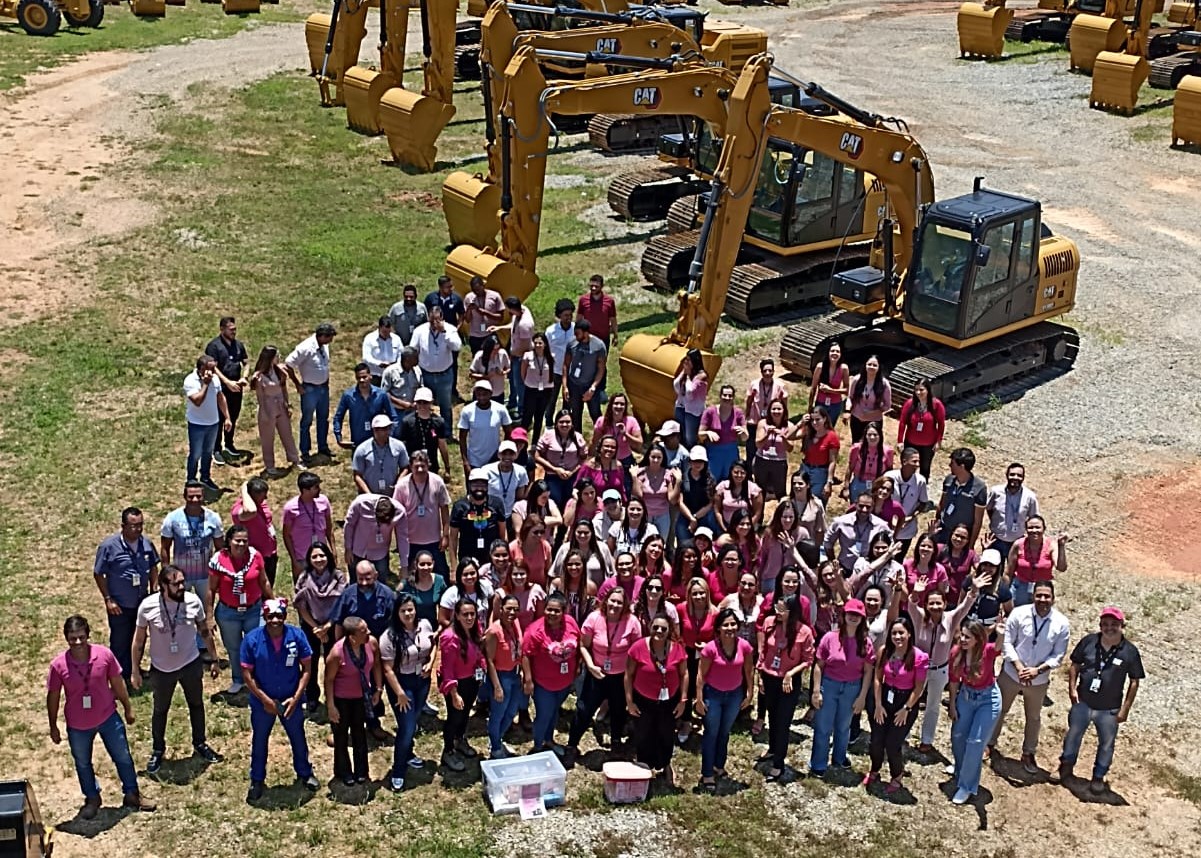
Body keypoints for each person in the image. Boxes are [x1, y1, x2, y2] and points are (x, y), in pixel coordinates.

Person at [47, 615, 155, 818]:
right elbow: (52, 696)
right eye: (72, 638)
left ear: (88, 635)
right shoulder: (58, 665)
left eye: (81, 637)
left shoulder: (104, 655)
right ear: (66, 639)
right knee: (83, 762)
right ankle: (92, 798)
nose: (77, 642)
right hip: (78, 725)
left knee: (123, 756)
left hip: (108, 717)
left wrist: (128, 708)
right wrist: (53, 726)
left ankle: (132, 793)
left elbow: (117, 683)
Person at [131, 564, 223, 774]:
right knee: (160, 710)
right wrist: (135, 670)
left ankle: (200, 743)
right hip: (162, 669)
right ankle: (157, 750)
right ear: (163, 585)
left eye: (183, 582)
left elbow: (205, 631)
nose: (182, 586)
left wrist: (214, 659)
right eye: (176, 583)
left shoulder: (192, 602)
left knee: (196, 705)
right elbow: (139, 641)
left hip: (190, 663)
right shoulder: (147, 606)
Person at [1058, 606, 1144, 794]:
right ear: (1100, 625)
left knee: (1106, 744)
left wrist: (1125, 709)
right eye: (1105, 624)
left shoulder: (1129, 651)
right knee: (1073, 735)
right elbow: (1075, 665)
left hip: (1109, 709)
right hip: (1083, 702)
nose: (1109, 627)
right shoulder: (1089, 642)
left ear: (1122, 625)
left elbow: (1135, 681)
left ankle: (1098, 777)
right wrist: (1072, 689)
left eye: (1114, 624)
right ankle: (1065, 767)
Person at [239, 599, 319, 802]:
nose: (275, 620)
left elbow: (307, 669)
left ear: (285, 616)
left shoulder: (297, 636)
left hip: (290, 699)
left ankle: (304, 773)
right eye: (270, 616)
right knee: (260, 740)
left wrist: (297, 697)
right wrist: (265, 700)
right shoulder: (252, 639)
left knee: (298, 738)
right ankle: (257, 779)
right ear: (264, 617)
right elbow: (247, 675)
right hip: (262, 702)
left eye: (279, 616)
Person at [989, 580, 1070, 773]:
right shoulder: (1019, 613)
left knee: (1033, 717)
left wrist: (1037, 670)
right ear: (1033, 596)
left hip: (1038, 680)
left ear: (1053, 598)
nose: (1043, 599)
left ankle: (1028, 752)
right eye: (1039, 595)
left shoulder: (1061, 623)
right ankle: (989, 743)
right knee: (999, 709)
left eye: (1047, 596)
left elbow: (1058, 655)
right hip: (1011, 673)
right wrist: (1018, 666)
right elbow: (1008, 642)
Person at [565, 587, 641, 764]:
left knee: (618, 710)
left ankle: (616, 742)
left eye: (619, 602)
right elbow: (583, 645)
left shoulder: (632, 623)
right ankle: (572, 745)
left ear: (625, 605)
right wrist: (590, 666)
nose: (615, 605)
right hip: (596, 673)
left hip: (620, 676)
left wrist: (630, 673)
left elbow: (637, 651)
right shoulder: (594, 618)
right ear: (606, 601)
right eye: (612, 601)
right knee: (584, 709)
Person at [207, 524, 275, 695]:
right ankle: (238, 680)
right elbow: (211, 589)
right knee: (234, 647)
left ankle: (258, 679)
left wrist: (272, 603)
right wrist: (208, 616)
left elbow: (264, 581)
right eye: (237, 541)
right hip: (228, 613)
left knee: (258, 645)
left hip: (254, 609)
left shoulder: (255, 556)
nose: (241, 544)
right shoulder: (218, 560)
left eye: (245, 541)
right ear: (229, 541)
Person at [809, 599, 873, 777]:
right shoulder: (829, 637)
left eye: (857, 615)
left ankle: (839, 757)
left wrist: (862, 697)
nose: (853, 617)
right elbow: (818, 665)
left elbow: (868, 671)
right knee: (823, 726)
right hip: (829, 685)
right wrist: (815, 691)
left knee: (844, 726)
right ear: (844, 615)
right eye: (850, 613)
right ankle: (818, 763)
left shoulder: (866, 643)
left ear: (862, 619)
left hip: (852, 688)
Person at [94, 507, 160, 682]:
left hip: (141, 603)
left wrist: (154, 589)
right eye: (133, 526)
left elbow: (154, 566)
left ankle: (134, 670)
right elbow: (99, 573)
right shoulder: (109, 546)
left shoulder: (146, 543)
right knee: (120, 642)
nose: (137, 529)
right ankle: (119, 679)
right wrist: (108, 599)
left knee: (138, 639)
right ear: (123, 526)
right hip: (120, 605)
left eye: (140, 525)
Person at [865, 614, 928, 794]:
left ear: (909, 634)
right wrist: (877, 704)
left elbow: (919, 688)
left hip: (905, 701)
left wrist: (906, 709)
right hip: (884, 697)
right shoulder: (884, 651)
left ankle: (897, 776)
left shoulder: (919, 657)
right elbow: (877, 678)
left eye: (901, 633)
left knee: (893, 744)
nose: (898, 637)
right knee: (876, 740)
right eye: (894, 633)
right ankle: (875, 769)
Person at [380, 593, 437, 789]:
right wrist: (399, 693)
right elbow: (387, 669)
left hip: (422, 681)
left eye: (410, 609)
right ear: (396, 612)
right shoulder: (389, 637)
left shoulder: (425, 625)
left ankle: (409, 753)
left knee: (414, 719)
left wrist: (431, 662)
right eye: (403, 610)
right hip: (401, 683)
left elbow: (433, 644)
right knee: (407, 728)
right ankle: (398, 770)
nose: (407, 614)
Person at [755, 593, 814, 781]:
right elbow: (763, 651)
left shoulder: (803, 632)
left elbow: (808, 660)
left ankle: (779, 764)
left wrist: (790, 673)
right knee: (772, 716)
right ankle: (773, 749)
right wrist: (760, 674)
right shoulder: (769, 623)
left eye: (782, 610)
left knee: (783, 722)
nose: (777, 612)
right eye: (776, 608)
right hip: (769, 676)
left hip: (788, 682)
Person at [696, 607, 755, 792]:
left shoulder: (744, 646)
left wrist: (750, 693)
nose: (729, 628)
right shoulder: (710, 649)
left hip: (734, 695)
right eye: (725, 625)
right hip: (713, 694)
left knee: (725, 732)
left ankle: (718, 766)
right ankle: (707, 773)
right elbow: (701, 675)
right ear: (718, 628)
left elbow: (749, 670)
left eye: (733, 624)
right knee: (711, 733)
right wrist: (698, 699)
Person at [625, 616, 688, 782]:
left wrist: (683, 700)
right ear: (650, 628)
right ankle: (644, 767)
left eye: (663, 629)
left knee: (666, 733)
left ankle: (665, 764)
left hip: (669, 701)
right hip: (643, 700)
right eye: (656, 627)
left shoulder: (677, 649)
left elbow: (684, 674)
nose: (659, 631)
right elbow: (629, 675)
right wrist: (629, 701)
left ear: (669, 632)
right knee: (643, 733)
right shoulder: (638, 647)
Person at [947, 620, 1002, 804]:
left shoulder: (986, 651)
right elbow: (954, 680)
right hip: (966, 696)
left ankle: (966, 786)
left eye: (967, 637)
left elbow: (999, 647)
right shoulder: (956, 654)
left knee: (976, 742)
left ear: (978, 639)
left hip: (988, 699)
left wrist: (1001, 632)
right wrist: (952, 704)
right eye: (961, 635)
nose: (962, 639)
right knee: (958, 736)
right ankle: (961, 769)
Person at [326, 616, 383, 785]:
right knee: (341, 736)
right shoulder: (337, 653)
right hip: (341, 699)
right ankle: (343, 772)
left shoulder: (371, 643)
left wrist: (378, 689)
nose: (369, 632)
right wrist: (331, 706)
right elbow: (328, 680)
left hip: (361, 698)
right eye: (364, 631)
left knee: (359, 734)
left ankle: (361, 771)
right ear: (351, 637)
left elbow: (377, 665)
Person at [522, 592, 581, 753]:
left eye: (557, 611)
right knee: (544, 715)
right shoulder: (535, 630)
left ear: (564, 612)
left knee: (554, 711)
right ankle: (538, 746)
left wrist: (578, 666)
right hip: (543, 684)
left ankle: (549, 740)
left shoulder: (571, 623)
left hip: (565, 682)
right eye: (549, 610)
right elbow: (526, 654)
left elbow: (579, 644)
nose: (552, 614)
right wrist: (528, 680)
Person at [292, 542, 346, 712]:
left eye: (322, 555)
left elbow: (342, 604)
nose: (319, 559)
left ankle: (336, 696)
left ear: (328, 557)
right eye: (314, 556)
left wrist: (327, 626)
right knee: (310, 662)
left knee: (335, 663)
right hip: (311, 625)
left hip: (334, 625)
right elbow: (300, 606)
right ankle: (312, 696)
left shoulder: (338, 577)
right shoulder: (304, 578)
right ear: (309, 559)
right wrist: (316, 627)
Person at [433, 598, 485, 773]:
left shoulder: (475, 629)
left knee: (465, 714)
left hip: (471, 679)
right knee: (454, 717)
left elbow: (479, 652)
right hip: (455, 683)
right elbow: (447, 668)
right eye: (465, 614)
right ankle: (448, 751)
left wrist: (481, 668)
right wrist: (454, 694)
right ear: (457, 615)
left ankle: (460, 739)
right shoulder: (449, 637)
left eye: (472, 614)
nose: (470, 618)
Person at [283, 322, 337, 466]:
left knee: (323, 418)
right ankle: (305, 451)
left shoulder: (324, 346)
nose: (331, 341)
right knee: (307, 420)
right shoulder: (305, 347)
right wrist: (297, 384)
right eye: (330, 337)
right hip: (310, 389)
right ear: (322, 336)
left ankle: (322, 446)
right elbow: (288, 364)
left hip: (323, 388)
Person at [393, 450, 452, 576]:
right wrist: (399, 540)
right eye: (416, 466)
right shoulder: (401, 486)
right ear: (410, 467)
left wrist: (445, 535)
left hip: (434, 540)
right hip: (411, 540)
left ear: (428, 465)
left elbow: (445, 509)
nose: (420, 469)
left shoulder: (437, 481)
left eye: (423, 466)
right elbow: (396, 515)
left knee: (442, 574)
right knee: (411, 577)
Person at [484, 594, 527, 760]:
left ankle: (497, 739)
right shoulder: (494, 631)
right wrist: (496, 686)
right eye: (509, 608)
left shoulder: (515, 624)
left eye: (516, 609)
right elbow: (489, 660)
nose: (512, 612)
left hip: (515, 674)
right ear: (500, 609)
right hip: (501, 676)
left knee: (511, 712)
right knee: (498, 714)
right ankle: (495, 749)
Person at [248, 345, 301, 476]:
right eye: (276, 356)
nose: (279, 358)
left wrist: (287, 404)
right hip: (267, 406)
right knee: (267, 438)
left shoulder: (279, 371)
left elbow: (283, 389)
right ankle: (270, 465)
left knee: (287, 434)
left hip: (280, 405)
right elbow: (260, 397)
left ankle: (295, 459)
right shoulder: (259, 376)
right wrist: (265, 413)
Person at [183, 354, 232, 492]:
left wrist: (227, 417)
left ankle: (205, 477)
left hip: (213, 423)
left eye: (214, 368)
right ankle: (191, 480)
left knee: (208, 452)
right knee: (195, 454)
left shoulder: (215, 379)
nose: (213, 372)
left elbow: (220, 397)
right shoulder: (190, 380)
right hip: (197, 424)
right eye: (210, 369)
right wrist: (205, 384)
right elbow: (197, 401)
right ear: (201, 368)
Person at [206, 316, 251, 464]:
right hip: (220, 389)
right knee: (219, 419)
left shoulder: (238, 345)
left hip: (236, 388)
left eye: (235, 329)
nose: (234, 332)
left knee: (233, 416)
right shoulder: (214, 346)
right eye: (230, 329)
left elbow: (246, 362)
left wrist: (244, 377)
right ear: (222, 329)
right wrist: (227, 382)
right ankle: (216, 449)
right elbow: (213, 367)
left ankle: (229, 444)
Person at [411, 306, 462, 432]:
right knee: (424, 404)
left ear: (442, 318)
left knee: (445, 405)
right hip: (425, 373)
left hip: (444, 375)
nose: (434, 323)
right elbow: (413, 349)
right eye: (432, 320)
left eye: (437, 320)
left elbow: (457, 347)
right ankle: (425, 429)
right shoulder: (420, 331)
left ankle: (446, 431)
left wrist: (444, 332)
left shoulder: (450, 329)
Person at [343, 494, 410, 584]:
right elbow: (349, 525)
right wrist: (348, 548)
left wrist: (404, 566)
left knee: (380, 583)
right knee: (355, 582)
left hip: (380, 553)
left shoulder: (400, 512)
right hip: (357, 550)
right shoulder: (360, 503)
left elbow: (403, 538)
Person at [1006, 514, 1070, 607]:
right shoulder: (1018, 545)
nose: (1034, 530)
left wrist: (1061, 546)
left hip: (1042, 589)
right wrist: (1004, 592)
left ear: (1044, 529)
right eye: (1030, 528)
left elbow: (1061, 568)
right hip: (1021, 588)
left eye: (1037, 527)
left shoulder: (1051, 545)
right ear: (1026, 529)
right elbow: (1008, 572)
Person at [450, 470, 508, 567]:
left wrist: (503, 556)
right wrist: (453, 566)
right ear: (469, 485)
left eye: (482, 485)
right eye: (475, 485)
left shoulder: (496, 503)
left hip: (492, 557)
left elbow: (503, 533)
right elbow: (453, 538)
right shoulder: (460, 506)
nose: (479, 488)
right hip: (467, 556)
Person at [823, 493, 891, 576]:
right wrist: (832, 560)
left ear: (873, 507)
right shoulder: (841, 522)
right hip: (845, 568)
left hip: (870, 570)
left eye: (868, 507)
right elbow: (827, 542)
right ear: (855, 505)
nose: (864, 510)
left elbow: (891, 546)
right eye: (861, 506)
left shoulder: (881, 525)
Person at [281, 471, 336, 572]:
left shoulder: (323, 501)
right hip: (302, 557)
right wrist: (294, 560)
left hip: (322, 556)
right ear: (305, 490)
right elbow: (286, 535)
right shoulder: (290, 508)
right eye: (316, 487)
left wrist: (333, 551)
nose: (319, 489)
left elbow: (329, 528)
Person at [334, 363, 397, 451]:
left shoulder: (381, 395)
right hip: (358, 441)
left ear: (370, 376)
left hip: (378, 441)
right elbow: (338, 417)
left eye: (364, 377)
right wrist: (338, 437)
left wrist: (389, 435)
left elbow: (393, 417)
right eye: (359, 378)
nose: (362, 380)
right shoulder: (348, 395)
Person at [423, 275, 466, 402]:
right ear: (441, 287)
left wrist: (456, 329)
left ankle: (452, 389)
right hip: (434, 336)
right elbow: (426, 314)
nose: (451, 289)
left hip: (449, 335)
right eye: (448, 287)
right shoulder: (431, 298)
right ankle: (433, 391)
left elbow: (462, 315)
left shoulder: (456, 299)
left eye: (451, 286)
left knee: (452, 363)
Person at [535, 409, 588, 513]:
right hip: (552, 476)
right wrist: (555, 469)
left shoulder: (578, 437)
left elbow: (583, 458)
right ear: (556, 423)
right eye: (561, 422)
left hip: (572, 477)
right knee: (554, 502)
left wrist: (572, 471)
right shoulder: (548, 436)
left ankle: (564, 528)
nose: (564, 424)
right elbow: (537, 456)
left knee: (569, 503)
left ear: (572, 424)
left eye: (568, 422)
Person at [883, 447, 933, 557]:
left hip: (906, 529)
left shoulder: (920, 481)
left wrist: (911, 516)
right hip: (887, 524)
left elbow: (923, 503)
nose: (917, 464)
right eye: (914, 461)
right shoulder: (889, 476)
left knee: (898, 558)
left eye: (919, 461)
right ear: (904, 461)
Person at [935, 447, 988, 546]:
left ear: (962, 466)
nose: (949, 465)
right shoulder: (949, 480)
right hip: (944, 530)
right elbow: (942, 504)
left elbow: (978, 521)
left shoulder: (979, 488)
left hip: (961, 537)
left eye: (953, 463)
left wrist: (971, 545)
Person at [231, 478, 280, 587]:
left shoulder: (261, 504)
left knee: (268, 588)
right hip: (253, 559)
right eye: (262, 495)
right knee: (256, 591)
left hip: (270, 556)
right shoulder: (239, 510)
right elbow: (251, 511)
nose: (266, 498)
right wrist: (244, 490)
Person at [987, 462, 1040, 560]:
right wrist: (996, 523)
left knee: (1014, 573)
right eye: (1012, 474)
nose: (1015, 477)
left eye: (1019, 475)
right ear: (1006, 475)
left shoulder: (1030, 496)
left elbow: (1034, 519)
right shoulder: (995, 492)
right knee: (993, 572)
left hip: (1018, 541)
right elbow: (989, 509)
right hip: (996, 539)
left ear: (1023, 478)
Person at [459, 380, 512, 476]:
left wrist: (501, 452)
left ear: (491, 394)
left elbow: (508, 432)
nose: (481, 397)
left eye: (485, 394)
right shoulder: (467, 411)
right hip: (474, 459)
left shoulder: (500, 409)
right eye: (479, 394)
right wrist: (466, 461)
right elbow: (462, 438)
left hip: (494, 459)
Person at [562, 318, 607, 431]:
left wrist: (593, 388)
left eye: (578, 333)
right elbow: (565, 365)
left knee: (596, 414)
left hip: (590, 385)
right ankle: (577, 441)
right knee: (575, 415)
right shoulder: (572, 344)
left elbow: (601, 369)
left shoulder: (599, 346)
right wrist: (565, 386)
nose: (575, 336)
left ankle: (602, 439)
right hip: (574, 385)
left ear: (586, 333)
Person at [895, 378, 945, 480]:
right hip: (911, 442)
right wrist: (900, 441)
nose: (918, 392)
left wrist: (938, 441)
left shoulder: (936, 405)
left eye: (921, 390)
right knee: (908, 466)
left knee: (925, 468)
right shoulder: (910, 404)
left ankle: (921, 490)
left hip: (928, 444)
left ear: (928, 390)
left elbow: (941, 424)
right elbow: (902, 422)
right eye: (916, 390)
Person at [352, 414, 411, 497]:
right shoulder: (362, 449)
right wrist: (369, 495)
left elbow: (405, 467)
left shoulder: (399, 446)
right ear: (375, 430)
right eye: (384, 429)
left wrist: (398, 483)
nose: (388, 431)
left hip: (392, 495)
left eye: (389, 428)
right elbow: (357, 475)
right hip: (369, 495)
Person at [699, 385, 748, 483]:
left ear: (733, 397)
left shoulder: (738, 413)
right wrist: (708, 433)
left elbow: (745, 437)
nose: (727, 398)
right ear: (720, 396)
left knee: (730, 480)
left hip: (731, 452)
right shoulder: (710, 412)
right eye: (724, 395)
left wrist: (743, 432)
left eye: (730, 396)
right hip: (714, 451)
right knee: (712, 480)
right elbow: (700, 434)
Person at [397, 388, 451, 473]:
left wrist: (447, 466)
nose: (422, 405)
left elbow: (442, 444)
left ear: (431, 402)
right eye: (419, 402)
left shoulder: (439, 422)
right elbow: (402, 446)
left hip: (431, 464)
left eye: (425, 402)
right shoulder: (407, 421)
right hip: (412, 466)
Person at [757, 503, 805, 597]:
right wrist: (759, 579)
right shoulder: (769, 533)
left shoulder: (802, 533)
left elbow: (806, 560)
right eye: (785, 517)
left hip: (792, 581)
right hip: (770, 578)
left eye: (791, 517)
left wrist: (792, 548)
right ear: (779, 517)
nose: (788, 520)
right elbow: (763, 558)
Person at [550, 519, 614, 588]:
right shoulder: (565, 549)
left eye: (586, 532)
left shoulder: (602, 548)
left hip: (597, 595)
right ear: (574, 532)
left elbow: (612, 574)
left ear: (592, 533)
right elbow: (554, 575)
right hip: (570, 595)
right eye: (579, 532)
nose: (582, 535)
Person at [501, 295, 535, 421]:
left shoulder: (525, 325)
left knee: (520, 385)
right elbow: (513, 326)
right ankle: (512, 403)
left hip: (520, 359)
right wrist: (500, 328)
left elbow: (525, 347)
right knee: (513, 382)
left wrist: (512, 355)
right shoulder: (521, 311)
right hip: (515, 356)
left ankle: (522, 412)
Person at [842, 421, 894, 503]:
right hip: (858, 482)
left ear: (880, 436)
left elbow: (890, 472)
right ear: (865, 436)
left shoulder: (887, 451)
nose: (872, 437)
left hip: (877, 487)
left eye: (875, 435)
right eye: (869, 435)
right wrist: (846, 488)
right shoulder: (856, 448)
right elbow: (850, 468)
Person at [753, 400, 794, 501]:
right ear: (769, 411)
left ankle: (783, 515)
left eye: (779, 409)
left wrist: (783, 436)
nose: (776, 411)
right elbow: (758, 444)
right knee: (759, 491)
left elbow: (790, 448)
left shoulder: (789, 426)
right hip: (762, 460)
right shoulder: (763, 423)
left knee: (780, 492)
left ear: (784, 411)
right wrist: (767, 435)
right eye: (773, 409)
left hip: (779, 463)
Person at [439, 558, 496, 629]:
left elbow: (493, 608)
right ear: (459, 576)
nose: (469, 577)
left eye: (472, 573)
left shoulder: (486, 586)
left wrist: (490, 626)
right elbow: (442, 619)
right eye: (465, 574)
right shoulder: (451, 593)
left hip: (483, 633)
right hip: (460, 634)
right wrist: (461, 631)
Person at [798, 407, 840, 502]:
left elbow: (832, 461)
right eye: (812, 420)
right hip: (805, 469)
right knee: (800, 500)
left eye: (818, 420)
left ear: (825, 419)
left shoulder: (831, 436)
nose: (814, 423)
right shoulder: (808, 432)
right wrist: (800, 423)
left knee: (815, 502)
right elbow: (789, 436)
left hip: (820, 473)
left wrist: (829, 482)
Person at [847, 355, 892, 444]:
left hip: (874, 421)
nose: (871, 367)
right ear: (865, 365)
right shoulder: (857, 379)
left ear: (879, 368)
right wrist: (847, 410)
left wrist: (874, 412)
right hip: (856, 418)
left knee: (871, 445)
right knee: (856, 444)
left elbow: (888, 406)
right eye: (869, 364)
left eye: (874, 365)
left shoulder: (884, 384)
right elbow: (850, 397)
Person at [544, 298, 576, 423]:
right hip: (555, 370)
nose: (568, 318)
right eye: (565, 315)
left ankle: (565, 421)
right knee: (551, 398)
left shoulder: (576, 329)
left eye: (570, 315)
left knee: (568, 399)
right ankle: (548, 421)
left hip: (571, 371)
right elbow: (546, 349)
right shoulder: (551, 331)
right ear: (559, 316)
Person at [400, 550, 449, 632]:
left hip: (432, 627)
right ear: (416, 565)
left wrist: (439, 630)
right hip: (410, 627)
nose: (426, 567)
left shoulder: (439, 580)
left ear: (433, 563)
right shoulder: (407, 583)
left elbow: (445, 608)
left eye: (429, 564)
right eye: (422, 564)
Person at [672, 349, 709, 450]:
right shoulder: (686, 373)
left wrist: (688, 376)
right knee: (680, 433)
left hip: (693, 412)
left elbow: (689, 394)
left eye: (688, 360)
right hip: (681, 407)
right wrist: (683, 373)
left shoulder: (701, 376)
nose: (686, 362)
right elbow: (676, 387)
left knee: (690, 437)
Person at [482, 440, 530, 517]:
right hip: (490, 515)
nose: (507, 457)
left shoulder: (521, 472)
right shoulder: (486, 471)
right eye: (504, 453)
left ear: (516, 455)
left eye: (511, 454)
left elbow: (519, 497)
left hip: (509, 515)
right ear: (498, 455)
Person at [521, 331, 555, 439]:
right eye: (535, 343)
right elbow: (523, 372)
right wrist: (528, 381)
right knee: (527, 416)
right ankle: (521, 440)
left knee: (539, 417)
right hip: (531, 389)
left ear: (545, 344)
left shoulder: (551, 356)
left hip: (546, 390)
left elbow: (553, 373)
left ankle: (535, 442)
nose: (537, 345)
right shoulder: (528, 356)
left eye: (540, 343)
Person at [714, 459, 763, 532]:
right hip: (726, 527)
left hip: (746, 528)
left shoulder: (754, 489)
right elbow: (717, 510)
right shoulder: (722, 486)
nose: (739, 475)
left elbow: (757, 513)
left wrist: (745, 529)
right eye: (736, 472)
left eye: (742, 473)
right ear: (731, 472)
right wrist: (724, 528)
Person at [808, 341, 850, 427]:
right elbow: (813, 388)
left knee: (829, 427)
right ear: (828, 353)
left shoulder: (844, 368)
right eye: (832, 351)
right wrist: (810, 405)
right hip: (821, 402)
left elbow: (846, 390)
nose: (835, 353)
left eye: (837, 351)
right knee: (817, 427)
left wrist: (831, 390)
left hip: (835, 404)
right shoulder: (820, 367)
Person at [380, 346, 423, 424]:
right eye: (416, 358)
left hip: (413, 411)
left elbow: (420, 388)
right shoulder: (390, 371)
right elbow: (385, 393)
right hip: (396, 411)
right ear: (407, 359)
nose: (418, 360)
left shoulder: (417, 371)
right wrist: (402, 404)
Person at [464, 274, 504, 355]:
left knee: (493, 357)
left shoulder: (495, 296)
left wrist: (485, 313)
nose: (477, 292)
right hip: (475, 336)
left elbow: (500, 318)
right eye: (474, 290)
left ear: (484, 285)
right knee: (478, 358)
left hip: (490, 333)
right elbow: (467, 320)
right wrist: (469, 309)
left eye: (478, 289)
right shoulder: (469, 297)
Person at [786, 471, 827, 546]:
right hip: (787, 545)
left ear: (808, 485)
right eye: (794, 483)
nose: (796, 486)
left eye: (800, 483)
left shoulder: (817, 504)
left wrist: (817, 550)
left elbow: (820, 531)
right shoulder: (785, 502)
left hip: (808, 547)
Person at [362, 316, 402, 386]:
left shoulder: (396, 339)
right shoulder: (369, 338)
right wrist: (379, 363)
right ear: (379, 327)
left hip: (392, 375)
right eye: (384, 331)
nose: (386, 334)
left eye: (389, 331)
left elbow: (400, 354)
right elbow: (366, 357)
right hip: (375, 376)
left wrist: (397, 365)